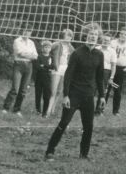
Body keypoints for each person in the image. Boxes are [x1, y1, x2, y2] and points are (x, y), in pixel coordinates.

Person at [44, 23, 105, 160]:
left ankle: (84, 154)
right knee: (64, 123)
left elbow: (100, 77)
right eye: (90, 35)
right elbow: (68, 76)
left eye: (95, 35)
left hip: (88, 96)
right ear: (86, 36)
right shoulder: (77, 53)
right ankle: (50, 151)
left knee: (88, 126)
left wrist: (101, 96)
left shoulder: (99, 54)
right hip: (74, 95)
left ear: (98, 37)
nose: (92, 37)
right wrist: (66, 95)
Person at [2, 25, 38, 116]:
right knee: (15, 88)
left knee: (23, 90)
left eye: (29, 31)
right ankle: (6, 108)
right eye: (26, 31)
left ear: (30, 32)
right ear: (22, 31)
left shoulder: (31, 42)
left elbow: (36, 56)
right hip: (19, 65)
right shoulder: (17, 41)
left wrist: (28, 55)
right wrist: (30, 55)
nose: (27, 33)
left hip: (29, 66)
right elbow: (19, 53)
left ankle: (17, 109)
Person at [105, 26, 126, 116]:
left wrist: (125, 69)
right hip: (110, 68)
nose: (123, 35)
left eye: (125, 34)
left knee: (117, 90)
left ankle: (115, 111)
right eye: (122, 33)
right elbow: (106, 53)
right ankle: (100, 109)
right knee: (106, 89)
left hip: (120, 70)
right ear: (119, 34)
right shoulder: (112, 42)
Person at [45, 28, 75, 117]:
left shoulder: (71, 47)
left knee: (59, 91)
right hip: (57, 69)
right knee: (53, 92)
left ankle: (53, 110)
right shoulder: (56, 44)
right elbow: (47, 50)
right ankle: (47, 112)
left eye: (70, 36)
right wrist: (50, 62)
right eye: (67, 35)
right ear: (63, 36)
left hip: (65, 70)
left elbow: (74, 57)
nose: (69, 37)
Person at [96, 34, 117, 115]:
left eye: (108, 40)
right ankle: (88, 109)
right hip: (95, 70)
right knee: (91, 89)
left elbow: (113, 66)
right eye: (105, 40)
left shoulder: (112, 51)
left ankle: (99, 111)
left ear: (110, 42)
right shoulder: (97, 48)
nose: (106, 42)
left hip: (106, 71)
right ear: (102, 40)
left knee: (103, 92)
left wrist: (111, 77)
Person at [34, 40, 54, 117]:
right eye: (45, 47)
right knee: (38, 94)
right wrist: (46, 67)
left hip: (47, 79)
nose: (47, 49)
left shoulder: (51, 57)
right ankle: (38, 110)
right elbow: (37, 67)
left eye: (48, 47)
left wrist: (44, 66)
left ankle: (44, 112)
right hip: (39, 78)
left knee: (46, 96)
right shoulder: (39, 56)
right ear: (42, 48)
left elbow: (52, 66)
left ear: (50, 49)